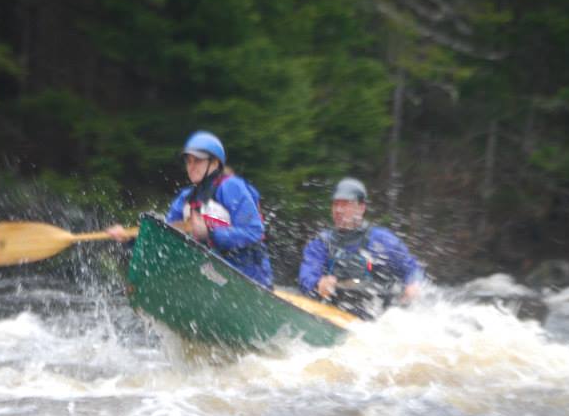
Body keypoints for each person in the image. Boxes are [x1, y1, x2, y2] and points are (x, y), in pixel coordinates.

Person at [106, 131, 273, 287]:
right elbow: (166, 239)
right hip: (210, 277)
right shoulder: (185, 198)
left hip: (249, 278)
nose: (191, 166)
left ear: (215, 163)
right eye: (189, 161)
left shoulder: (231, 187)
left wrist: (210, 233)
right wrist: (128, 239)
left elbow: (254, 232)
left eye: (198, 160)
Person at [298, 177, 423, 318]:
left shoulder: (381, 240)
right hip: (334, 313)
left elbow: (412, 268)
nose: (338, 210)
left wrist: (412, 284)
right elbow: (305, 277)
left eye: (345, 205)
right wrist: (318, 284)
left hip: (377, 316)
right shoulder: (321, 243)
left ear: (361, 208)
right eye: (335, 204)